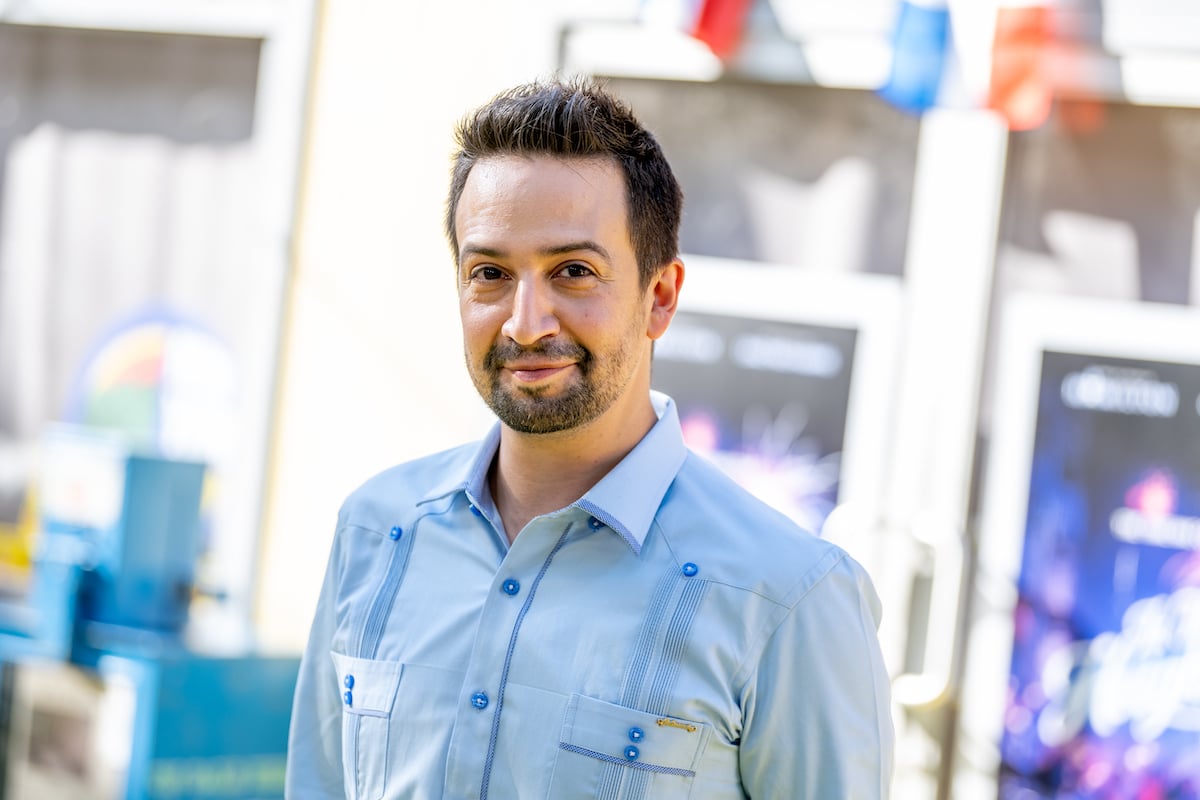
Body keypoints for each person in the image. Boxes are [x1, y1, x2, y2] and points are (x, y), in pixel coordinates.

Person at [286, 75, 894, 800]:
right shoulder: (376, 530)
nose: (525, 322)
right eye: (490, 273)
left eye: (573, 271)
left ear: (659, 298)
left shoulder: (791, 597)